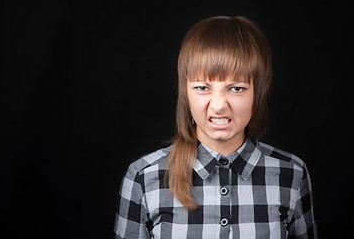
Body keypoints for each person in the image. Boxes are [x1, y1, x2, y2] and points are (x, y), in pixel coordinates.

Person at [114, 16, 317, 239]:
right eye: (202, 87)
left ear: (257, 94)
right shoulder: (144, 177)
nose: (219, 105)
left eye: (237, 88)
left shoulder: (292, 174)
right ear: (186, 93)